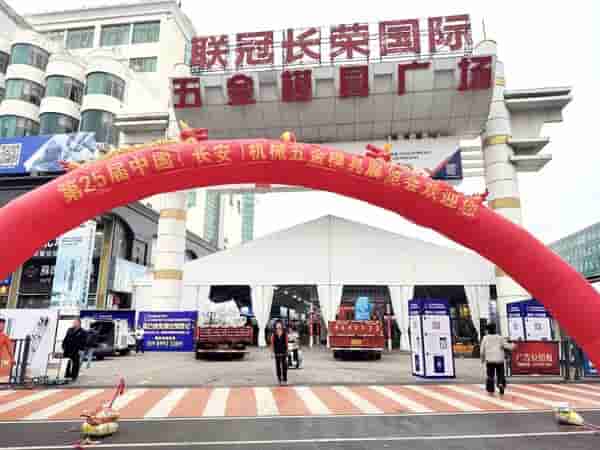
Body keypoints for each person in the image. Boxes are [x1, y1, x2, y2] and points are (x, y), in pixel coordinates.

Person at [480, 322, 515, 395]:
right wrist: (513, 345)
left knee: (490, 375)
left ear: (488, 330)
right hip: (499, 360)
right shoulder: (500, 337)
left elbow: (482, 350)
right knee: (500, 374)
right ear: (495, 329)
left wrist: (482, 359)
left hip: (490, 360)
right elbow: (507, 346)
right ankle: (500, 383)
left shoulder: (485, 338)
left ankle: (490, 389)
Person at [270, 320, 288, 385]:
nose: (279, 326)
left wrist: (287, 350)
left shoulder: (285, 333)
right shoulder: (273, 334)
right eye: (277, 325)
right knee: (278, 366)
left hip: (283, 351)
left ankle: (285, 379)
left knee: (284, 366)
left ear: (282, 326)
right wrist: (272, 352)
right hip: (277, 351)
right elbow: (272, 344)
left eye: (280, 325)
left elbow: (286, 342)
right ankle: (279, 379)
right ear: (275, 326)